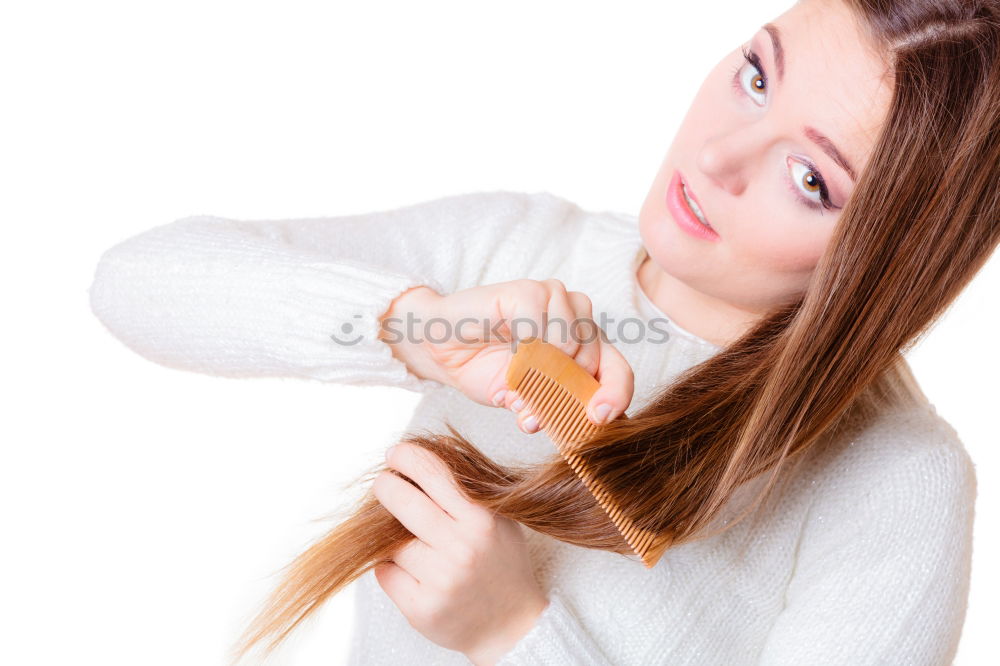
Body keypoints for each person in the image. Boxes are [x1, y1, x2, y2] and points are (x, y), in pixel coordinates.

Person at [88, 0, 999, 663]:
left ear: (887, 258)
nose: (719, 155)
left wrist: (516, 634)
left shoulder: (896, 483)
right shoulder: (521, 246)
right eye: (756, 75)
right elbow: (133, 286)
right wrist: (412, 326)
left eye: (809, 178)